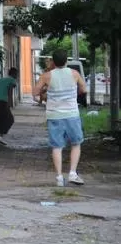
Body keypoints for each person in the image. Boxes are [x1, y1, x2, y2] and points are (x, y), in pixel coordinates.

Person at [33, 50, 88, 186]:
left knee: (57, 146)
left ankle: (59, 178)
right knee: (76, 143)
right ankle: (73, 173)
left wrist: (45, 95)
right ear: (66, 61)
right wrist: (76, 92)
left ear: (53, 61)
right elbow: (84, 89)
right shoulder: (74, 74)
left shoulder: (46, 76)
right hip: (71, 114)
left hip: (54, 116)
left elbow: (35, 92)